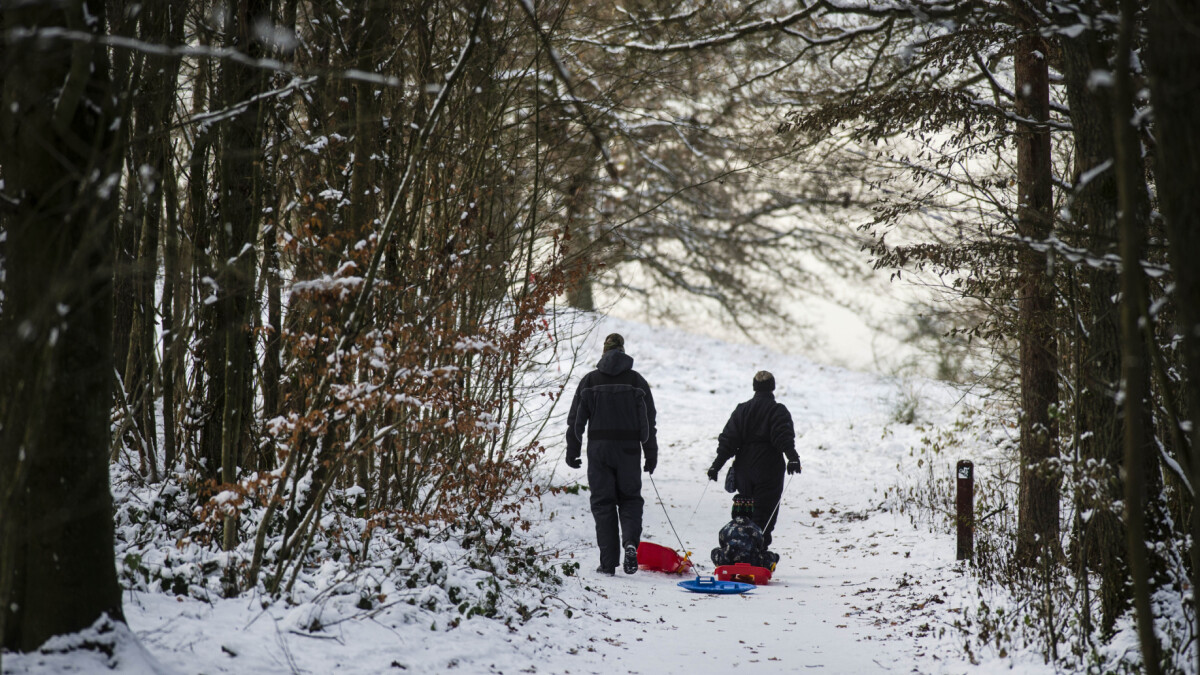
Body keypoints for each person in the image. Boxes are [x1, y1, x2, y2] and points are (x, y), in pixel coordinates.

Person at [565, 333, 658, 576]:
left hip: (599, 450)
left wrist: (572, 450)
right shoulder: (637, 382)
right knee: (630, 499)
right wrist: (650, 454)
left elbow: (576, 421)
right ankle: (630, 543)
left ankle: (608, 564)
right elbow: (648, 422)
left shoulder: (589, 381)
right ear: (623, 350)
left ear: (604, 352)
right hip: (628, 450)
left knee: (603, 503)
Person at [706, 370, 800, 549]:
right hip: (769, 468)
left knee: (744, 513)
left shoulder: (742, 409)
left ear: (754, 387)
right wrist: (793, 458)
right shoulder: (777, 410)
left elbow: (729, 440)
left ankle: (738, 551)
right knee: (764, 515)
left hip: (744, 469)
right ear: (772, 387)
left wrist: (716, 466)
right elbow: (783, 437)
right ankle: (757, 556)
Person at [711, 495, 778, 570]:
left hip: (728, 561)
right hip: (752, 562)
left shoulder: (727, 528)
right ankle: (770, 564)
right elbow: (760, 545)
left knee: (715, 551)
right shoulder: (756, 528)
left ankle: (721, 566)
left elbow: (722, 543)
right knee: (769, 556)